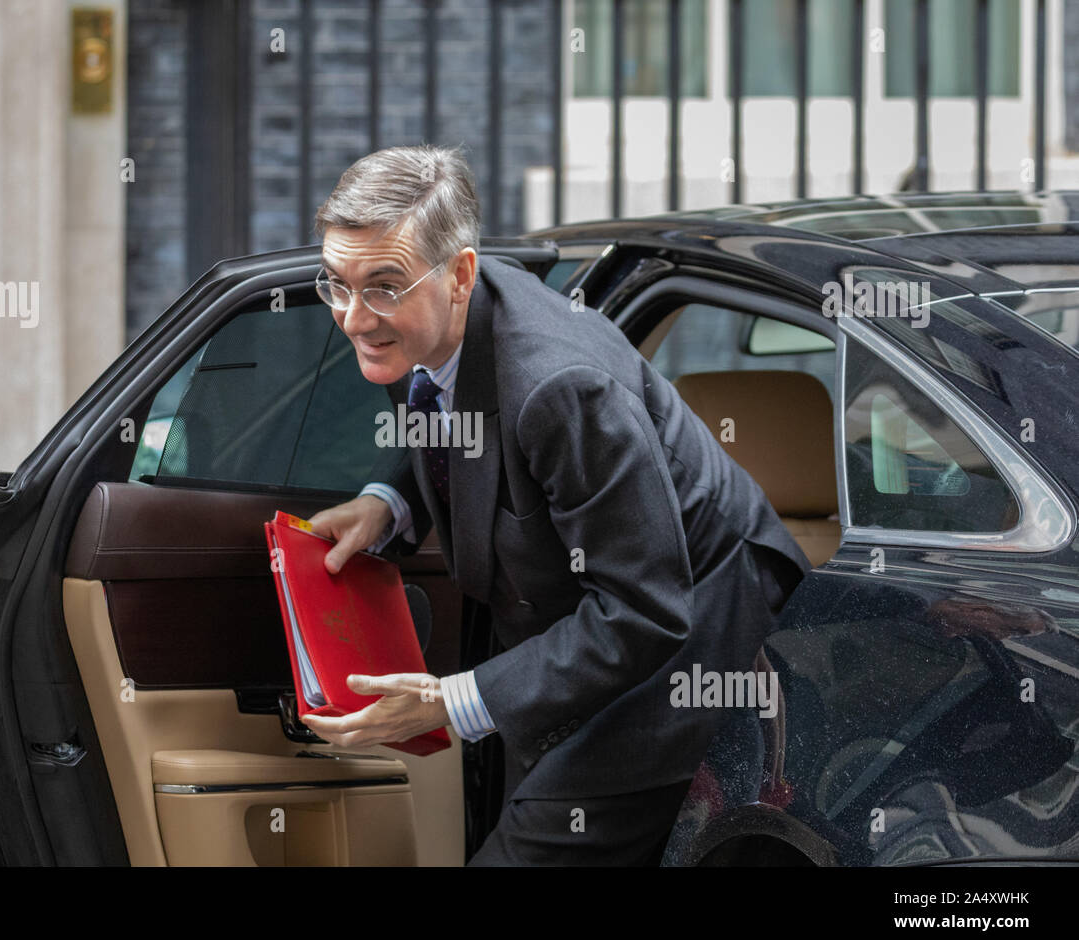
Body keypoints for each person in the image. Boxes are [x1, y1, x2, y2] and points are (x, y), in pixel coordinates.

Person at [299, 144, 812, 865]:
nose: (354, 317)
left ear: (461, 275)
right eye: (336, 284)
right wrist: (392, 500)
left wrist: (450, 702)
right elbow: (449, 412)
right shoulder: (428, 319)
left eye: (381, 286)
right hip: (579, 631)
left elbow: (647, 610)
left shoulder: (560, 388)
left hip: (690, 640)